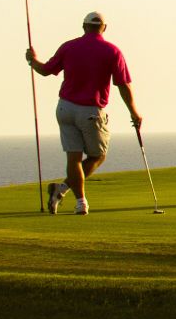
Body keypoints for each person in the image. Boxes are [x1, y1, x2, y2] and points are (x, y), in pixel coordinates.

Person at [24, 11, 141, 215]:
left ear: (84, 26)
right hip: (90, 111)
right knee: (98, 155)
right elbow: (123, 85)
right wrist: (134, 112)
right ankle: (69, 195)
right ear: (104, 28)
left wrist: (32, 60)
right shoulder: (112, 51)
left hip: (65, 108)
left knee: (74, 158)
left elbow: (45, 70)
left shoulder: (69, 46)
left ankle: (75, 199)